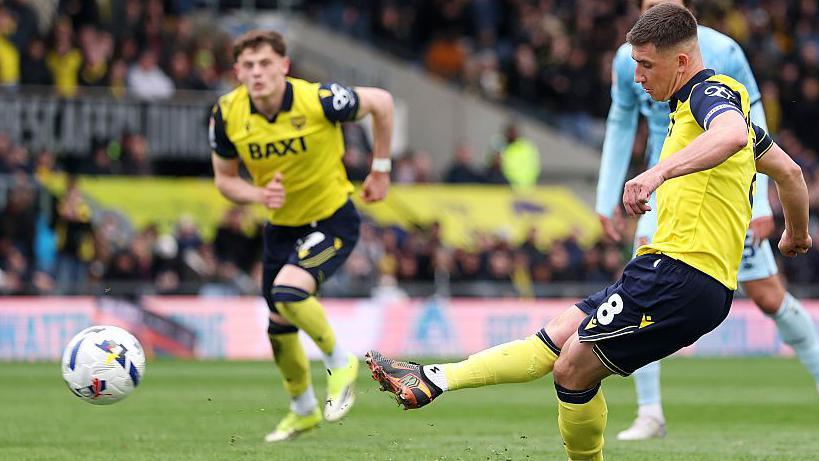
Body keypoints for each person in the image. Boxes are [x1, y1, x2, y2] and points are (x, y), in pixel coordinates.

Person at [365, 5, 812, 460]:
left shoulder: (710, 94)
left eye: (646, 65)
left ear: (681, 62)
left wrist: (656, 173)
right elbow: (791, 173)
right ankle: (435, 379)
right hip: (668, 273)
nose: (637, 77)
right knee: (557, 338)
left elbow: (733, 133)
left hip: (682, 277)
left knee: (572, 370)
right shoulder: (694, 110)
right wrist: (796, 234)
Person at [596, 0, 819, 440]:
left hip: (722, 189)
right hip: (661, 186)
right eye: (647, 5)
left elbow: (747, 129)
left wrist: (758, 206)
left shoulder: (723, 52)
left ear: (687, 11)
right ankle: (649, 412)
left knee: (769, 297)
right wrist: (606, 198)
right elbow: (621, 119)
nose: (655, 10)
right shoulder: (630, 59)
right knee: (640, 287)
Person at [209, 30, 394, 442]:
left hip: (332, 220)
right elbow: (224, 181)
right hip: (281, 227)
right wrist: (256, 194)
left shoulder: (319, 100)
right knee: (278, 323)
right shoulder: (226, 114)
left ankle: (340, 360)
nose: (258, 73)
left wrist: (380, 168)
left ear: (284, 66)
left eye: (266, 63)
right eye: (249, 66)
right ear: (237, 71)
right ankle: (303, 410)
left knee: (289, 293)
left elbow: (381, 102)